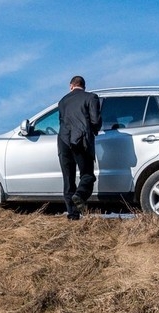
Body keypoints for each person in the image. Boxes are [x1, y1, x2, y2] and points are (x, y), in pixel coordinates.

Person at [57, 75, 102, 220]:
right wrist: (95, 130)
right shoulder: (91, 97)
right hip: (82, 140)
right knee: (87, 175)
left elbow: (61, 121)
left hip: (63, 141)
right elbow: (95, 120)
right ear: (84, 86)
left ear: (71, 86)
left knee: (68, 179)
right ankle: (80, 195)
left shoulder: (62, 101)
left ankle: (72, 215)